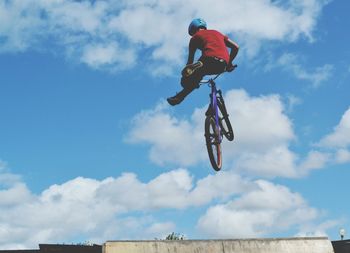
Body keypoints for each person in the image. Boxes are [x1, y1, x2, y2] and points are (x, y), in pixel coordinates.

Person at [167, 18, 239, 106]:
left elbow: (189, 62)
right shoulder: (217, 33)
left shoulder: (195, 37)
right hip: (222, 65)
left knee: (186, 79)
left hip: (208, 59)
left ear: (193, 29)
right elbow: (236, 47)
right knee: (200, 73)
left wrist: (188, 74)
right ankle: (193, 81)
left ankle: (181, 95)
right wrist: (229, 64)